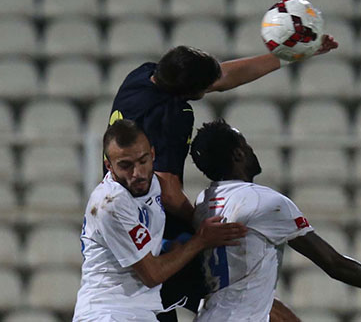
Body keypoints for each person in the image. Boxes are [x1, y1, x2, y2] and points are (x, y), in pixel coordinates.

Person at [107, 37, 338, 320]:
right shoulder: (172, 115)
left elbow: (224, 75)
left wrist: (288, 55)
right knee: (251, 301)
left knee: (257, 304)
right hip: (154, 239)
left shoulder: (142, 77)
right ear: (190, 92)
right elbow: (167, 188)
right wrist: (203, 227)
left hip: (129, 228)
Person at [189, 119, 361, 322]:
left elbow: (238, 282)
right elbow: (334, 264)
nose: (250, 149)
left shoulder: (203, 203)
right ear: (238, 154)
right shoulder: (265, 202)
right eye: (245, 144)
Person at [73, 119, 247, 321]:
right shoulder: (110, 204)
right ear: (109, 166)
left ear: (152, 154)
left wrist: (169, 245)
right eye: (126, 166)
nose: (137, 173)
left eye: (143, 161)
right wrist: (201, 240)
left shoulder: (154, 183)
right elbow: (152, 275)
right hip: (109, 312)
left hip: (140, 312)